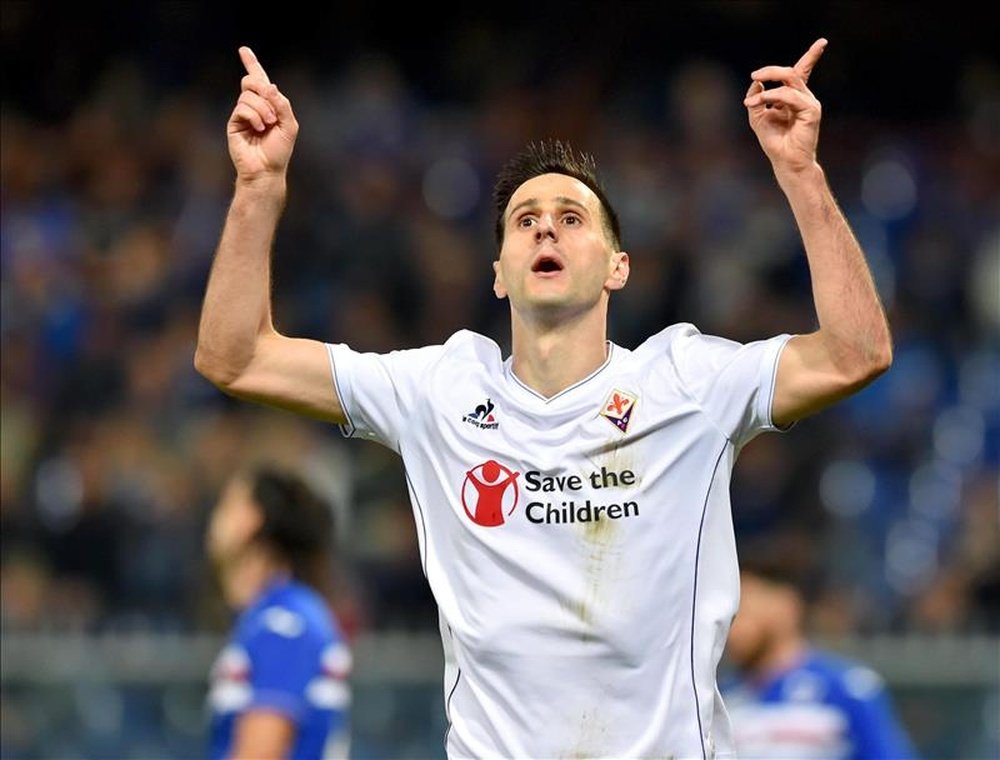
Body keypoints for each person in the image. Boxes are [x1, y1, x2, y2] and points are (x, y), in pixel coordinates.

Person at [195, 38, 893, 758]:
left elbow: (857, 353)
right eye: (524, 220)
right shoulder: (438, 391)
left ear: (617, 266)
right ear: (500, 273)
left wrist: (802, 174)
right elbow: (234, 357)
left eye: (571, 216)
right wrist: (259, 189)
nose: (546, 227)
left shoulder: (686, 381)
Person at [205, 465, 351, 759]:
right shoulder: (273, 616)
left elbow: (262, 751)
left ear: (252, 520)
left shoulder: (282, 622)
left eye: (228, 504)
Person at [722, 542, 918, 759]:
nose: (734, 627)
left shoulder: (847, 689)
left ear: (786, 605)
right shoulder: (720, 699)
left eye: (745, 610)